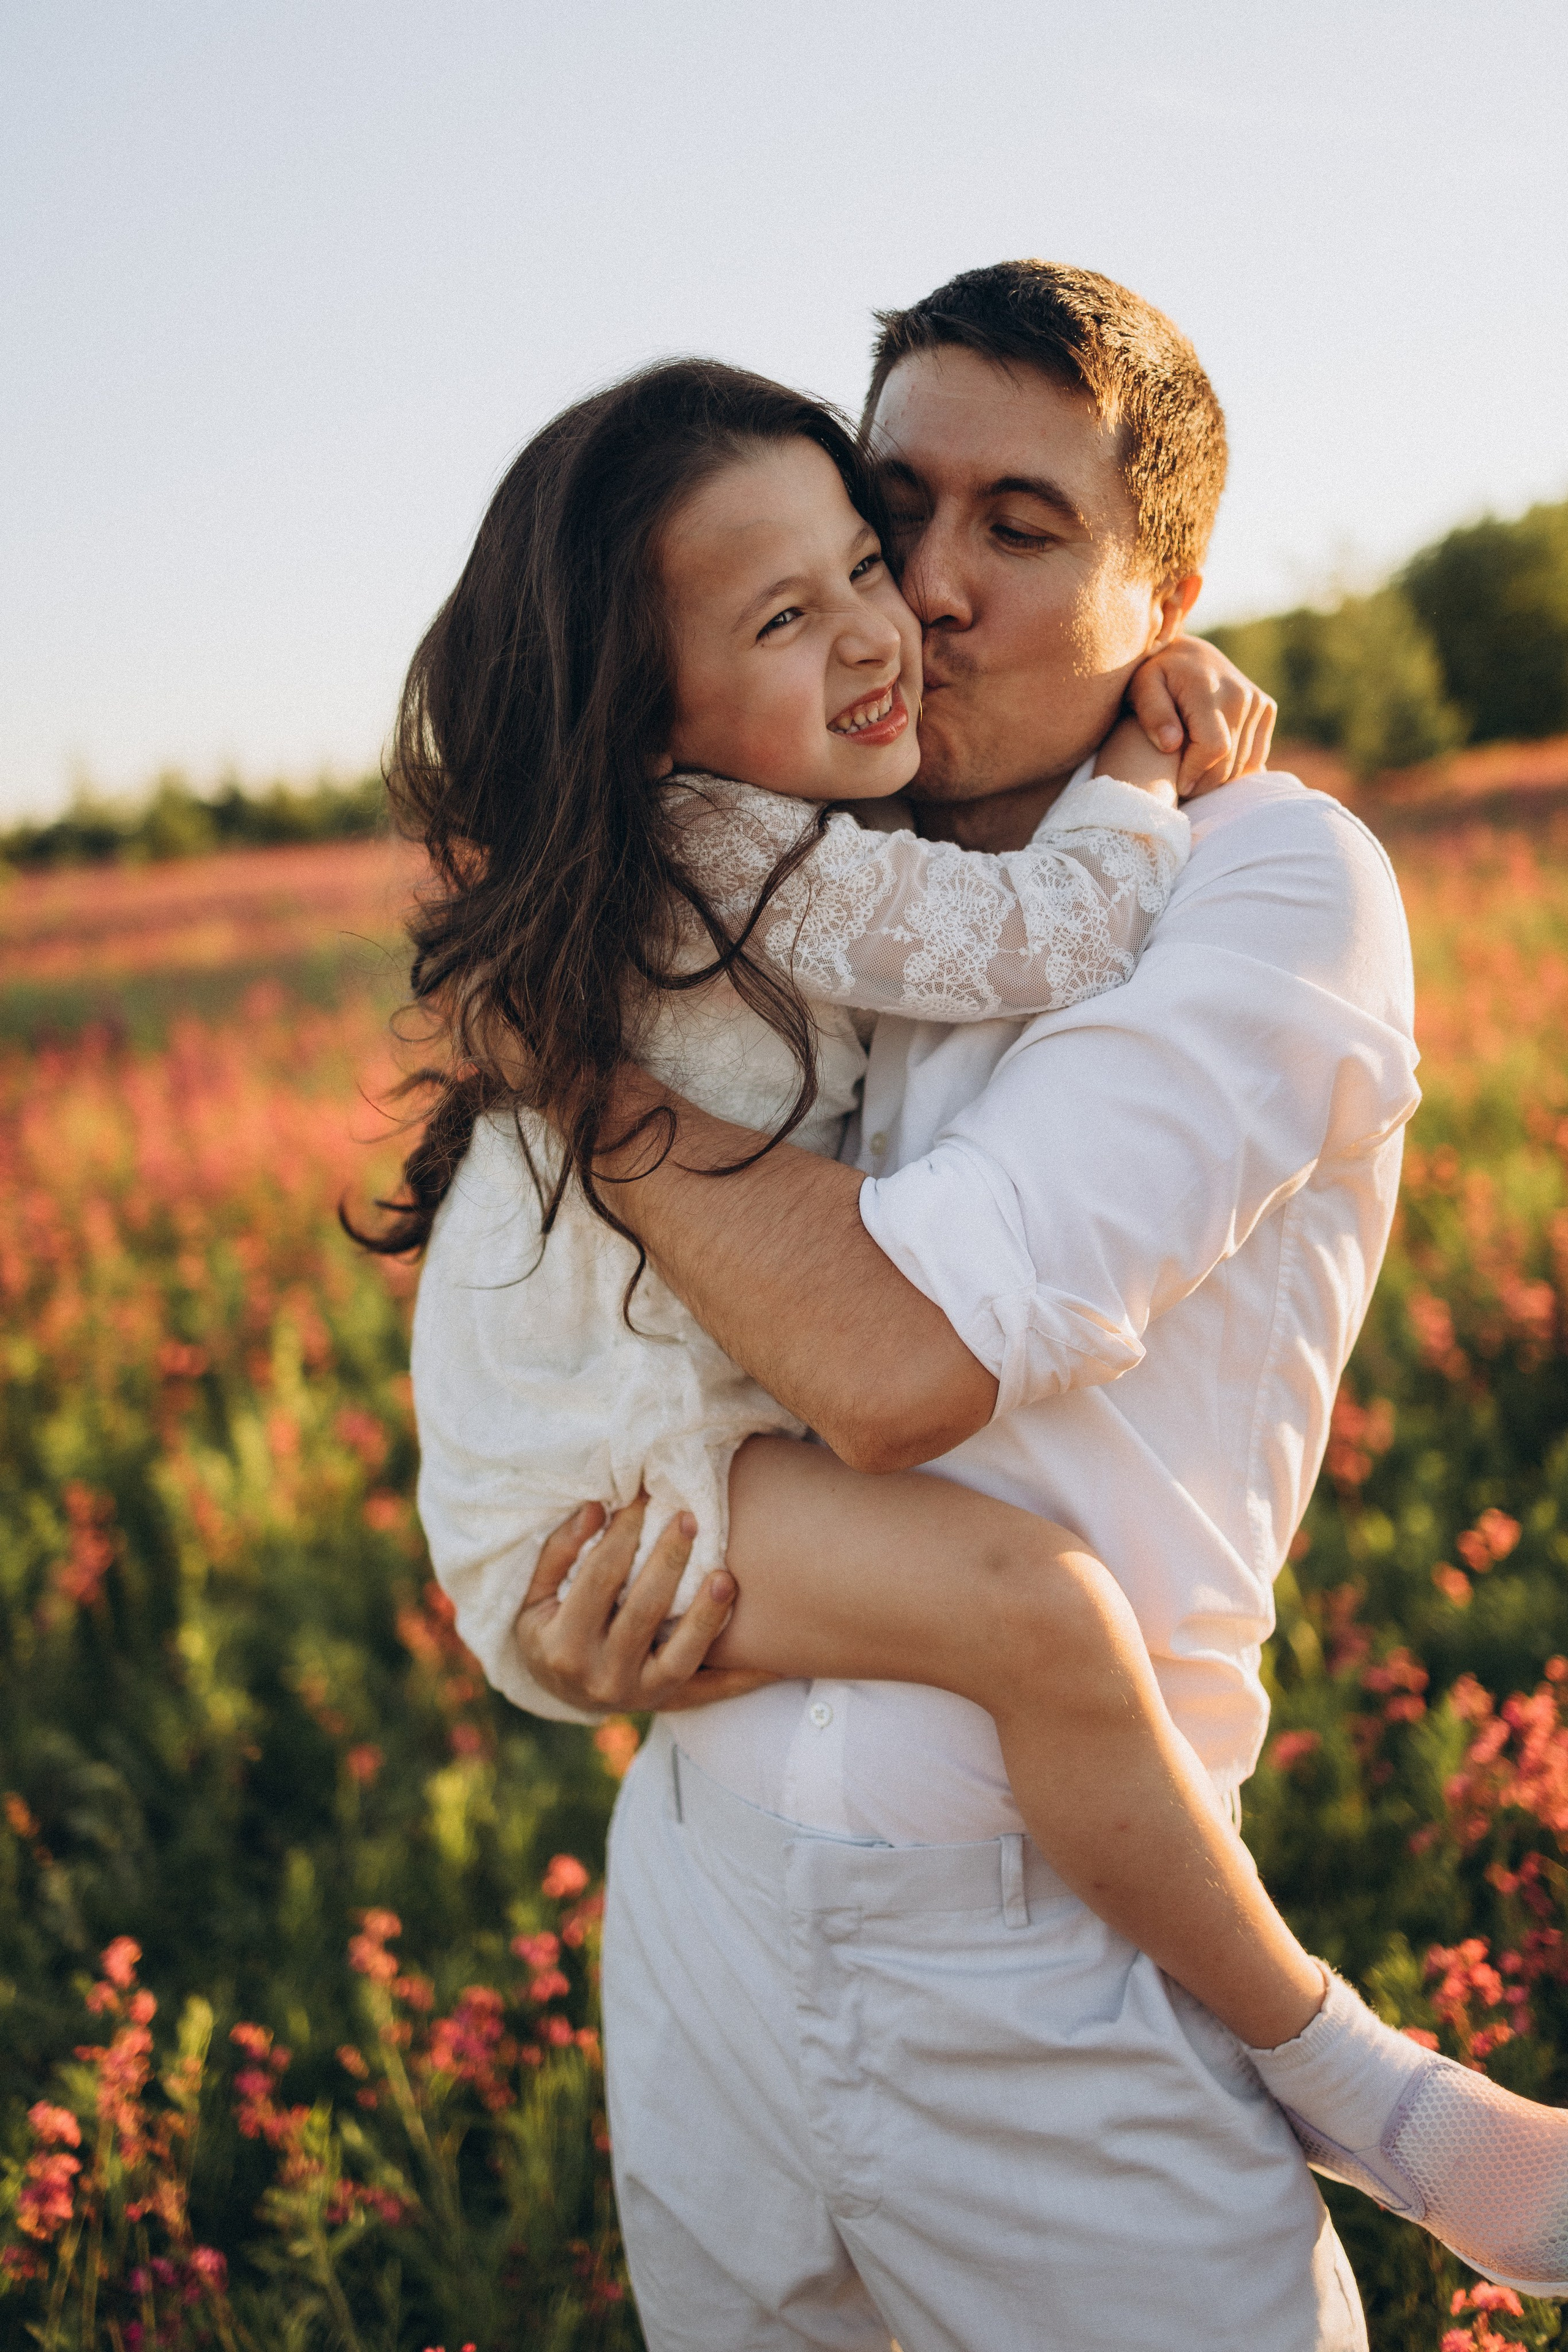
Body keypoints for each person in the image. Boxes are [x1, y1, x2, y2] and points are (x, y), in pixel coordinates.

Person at [494, 267, 1568, 2344]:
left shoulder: (1272, 878)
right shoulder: (799, 890)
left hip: (1049, 1963)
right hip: (701, 1906)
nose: (937, 585)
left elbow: (902, 1371)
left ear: (1170, 591)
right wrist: (566, 1620)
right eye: (896, 508)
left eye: (1029, 524)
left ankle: (1368, 2093)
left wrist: (569, 1059)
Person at [394, 351, 1337, 2068]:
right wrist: (1139, 752)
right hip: (597, 1486)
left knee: (1031, 1615)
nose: (887, 623)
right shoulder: (745, 844)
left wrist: (1165, 664)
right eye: (785, 617)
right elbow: (1049, 932)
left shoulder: (754, 820)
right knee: (1037, 1613)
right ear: (645, 704)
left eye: (858, 565)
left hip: (585, 1473)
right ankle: (1332, 2059)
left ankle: (1326, 2063)